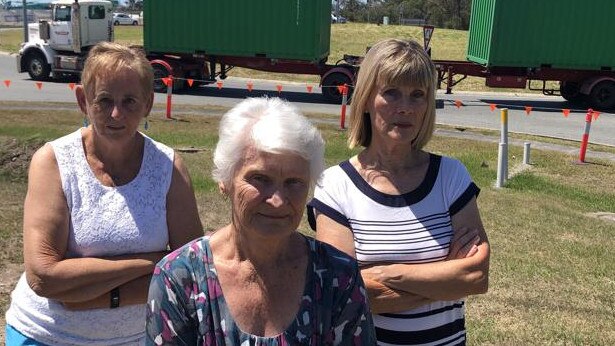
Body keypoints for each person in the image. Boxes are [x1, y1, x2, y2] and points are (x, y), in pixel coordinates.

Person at [5, 42, 203, 345]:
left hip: (135, 338)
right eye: (104, 100)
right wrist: (151, 262)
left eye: (129, 101)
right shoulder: (53, 161)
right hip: (45, 334)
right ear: (83, 100)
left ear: (148, 104)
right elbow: (43, 276)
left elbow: (187, 272)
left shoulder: (169, 168)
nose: (116, 113)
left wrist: (97, 296)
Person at [145, 97, 376, 345]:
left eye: (294, 182)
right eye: (259, 179)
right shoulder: (181, 278)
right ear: (225, 180)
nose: (277, 200)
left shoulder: (337, 276)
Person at [307, 38, 490, 345]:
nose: (405, 108)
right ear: (366, 98)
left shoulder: (450, 176)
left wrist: (387, 274)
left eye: (417, 95)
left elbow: (475, 277)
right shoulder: (335, 186)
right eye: (391, 92)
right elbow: (341, 295)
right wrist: (445, 275)